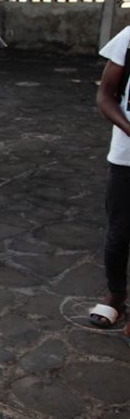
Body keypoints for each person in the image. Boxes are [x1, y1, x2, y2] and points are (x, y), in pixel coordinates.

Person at [89, 25, 130, 345]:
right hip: (126, 157)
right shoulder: (128, 38)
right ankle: (116, 293)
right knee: (119, 233)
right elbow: (105, 95)